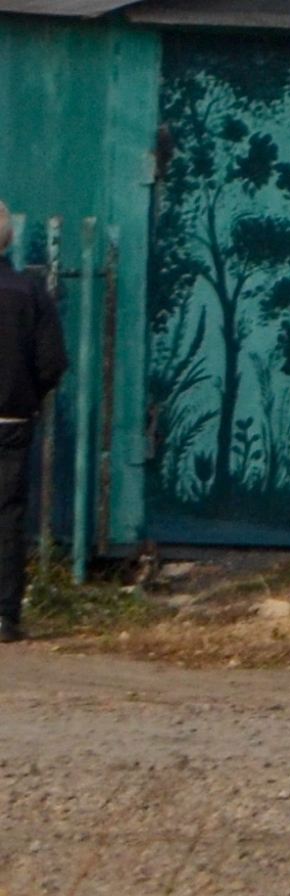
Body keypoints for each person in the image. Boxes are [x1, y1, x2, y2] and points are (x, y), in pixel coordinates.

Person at [0, 200, 68, 642]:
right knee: (7, 517)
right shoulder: (30, 292)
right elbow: (52, 362)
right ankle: (4, 617)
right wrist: (30, 398)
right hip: (11, 419)